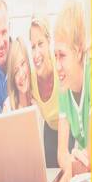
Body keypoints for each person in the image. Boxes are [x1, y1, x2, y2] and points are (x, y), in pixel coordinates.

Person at [54, 0, 91, 182]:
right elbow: (61, 153)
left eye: (62, 55)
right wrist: (73, 160)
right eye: (55, 56)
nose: (57, 66)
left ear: (77, 52)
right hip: (80, 175)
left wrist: (74, 161)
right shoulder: (63, 86)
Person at [30, 16, 61, 168]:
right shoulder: (31, 78)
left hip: (68, 127)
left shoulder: (59, 67)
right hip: (49, 130)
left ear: (49, 42)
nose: (36, 53)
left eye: (40, 44)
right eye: (33, 46)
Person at [4, 38, 35, 113]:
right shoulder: (8, 107)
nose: (21, 74)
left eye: (23, 63)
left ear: (28, 63)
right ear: (13, 78)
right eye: (16, 70)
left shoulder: (37, 100)